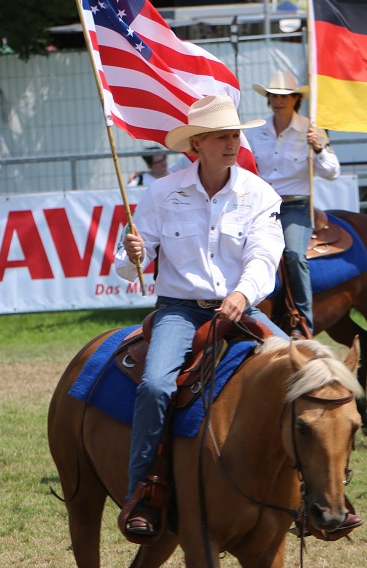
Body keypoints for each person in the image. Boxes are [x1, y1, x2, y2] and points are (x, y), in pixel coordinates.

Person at [114, 95, 287, 541]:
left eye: (235, 135)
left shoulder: (259, 194)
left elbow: (265, 256)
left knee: (304, 373)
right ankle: (143, 493)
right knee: (155, 386)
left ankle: (309, 492)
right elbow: (132, 259)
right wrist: (130, 253)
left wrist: (242, 293)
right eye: (223, 136)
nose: (233, 143)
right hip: (180, 311)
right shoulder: (161, 193)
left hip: (241, 307)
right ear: (198, 144)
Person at [244, 70, 340, 337]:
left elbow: (332, 172)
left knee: (295, 255)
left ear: (296, 99)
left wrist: (319, 148)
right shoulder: (256, 132)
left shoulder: (312, 129)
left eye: (285, 96)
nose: (278, 101)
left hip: (295, 206)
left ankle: (304, 321)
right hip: (261, 205)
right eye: (274, 95)